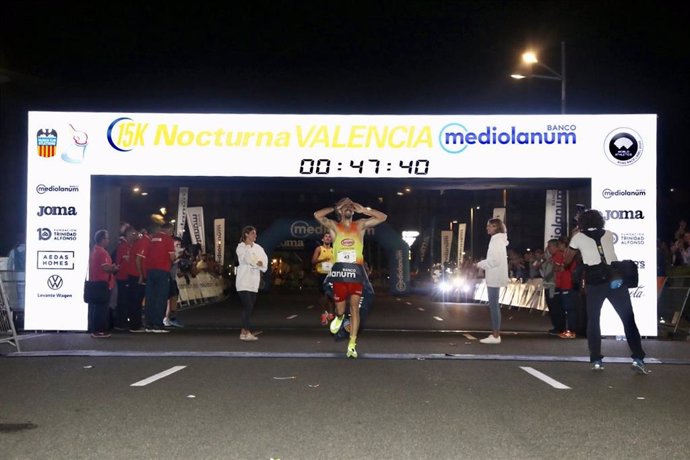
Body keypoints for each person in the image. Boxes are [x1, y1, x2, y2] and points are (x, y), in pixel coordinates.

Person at [564, 209, 650, 374]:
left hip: (595, 282)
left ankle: (596, 360)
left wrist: (575, 236)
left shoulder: (578, 237)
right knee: (628, 319)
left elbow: (567, 260)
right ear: (599, 221)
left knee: (594, 320)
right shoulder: (609, 234)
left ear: (581, 223)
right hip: (615, 280)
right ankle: (638, 358)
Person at [314, 197, 387, 358]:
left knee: (354, 308)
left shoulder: (360, 224)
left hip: (355, 273)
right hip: (340, 273)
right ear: (340, 210)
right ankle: (339, 318)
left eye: (350, 206)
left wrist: (364, 210)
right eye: (345, 206)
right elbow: (317, 215)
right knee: (340, 309)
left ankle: (352, 344)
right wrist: (334, 207)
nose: (348, 208)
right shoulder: (334, 227)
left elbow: (383, 218)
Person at [475, 218, 509, 344]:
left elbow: (495, 261)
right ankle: (495, 334)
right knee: (494, 305)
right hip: (495, 276)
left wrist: (480, 264)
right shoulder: (499, 240)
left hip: (495, 276)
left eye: (489, 226)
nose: (487, 228)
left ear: (496, 227)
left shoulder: (496, 241)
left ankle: (495, 335)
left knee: (494, 306)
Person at [141, 223, 175, 333]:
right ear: (169, 229)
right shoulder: (168, 239)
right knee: (161, 297)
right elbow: (172, 257)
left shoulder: (152, 239)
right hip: (162, 271)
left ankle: (149, 323)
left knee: (150, 297)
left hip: (150, 271)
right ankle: (157, 324)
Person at [236, 225, 268, 341]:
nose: (255, 235)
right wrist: (255, 261)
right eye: (253, 233)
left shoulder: (258, 247)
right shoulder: (241, 247)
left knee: (249, 307)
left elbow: (264, 259)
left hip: (253, 282)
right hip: (243, 281)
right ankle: (246, 332)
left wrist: (261, 263)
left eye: (255, 233)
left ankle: (243, 332)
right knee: (248, 306)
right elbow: (246, 259)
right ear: (246, 234)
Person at [88, 229, 119, 338]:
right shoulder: (102, 252)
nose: (108, 240)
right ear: (102, 240)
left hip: (95, 282)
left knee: (95, 307)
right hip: (102, 283)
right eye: (107, 238)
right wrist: (114, 268)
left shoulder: (94, 250)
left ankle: (94, 329)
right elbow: (106, 268)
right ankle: (99, 330)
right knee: (101, 308)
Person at [311, 232, 335, 325]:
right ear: (323, 239)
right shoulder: (319, 249)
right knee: (323, 295)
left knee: (331, 296)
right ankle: (324, 314)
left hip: (332, 275)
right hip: (322, 274)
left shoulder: (334, 250)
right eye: (326, 237)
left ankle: (331, 313)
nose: (328, 238)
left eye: (329, 237)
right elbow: (313, 261)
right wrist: (323, 259)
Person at [163, 236, 184, 328]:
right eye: (177, 244)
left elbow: (177, 270)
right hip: (167, 278)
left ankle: (171, 317)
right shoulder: (169, 253)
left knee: (173, 298)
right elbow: (167, 265)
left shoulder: (178, 255)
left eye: (180, 245)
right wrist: (175, 259)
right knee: (169, 299)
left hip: (173, 279)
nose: (179, 246)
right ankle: (166, 318)